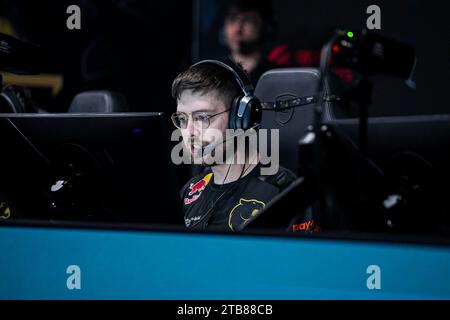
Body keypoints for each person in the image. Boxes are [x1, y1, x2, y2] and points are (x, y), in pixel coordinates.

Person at [170, 59, 297, 231]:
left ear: (240, 118)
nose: (189, 132)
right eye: (183, 119)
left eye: (202, 118)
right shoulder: (190, 192)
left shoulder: (282, 192)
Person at [222, 0, 277, 85]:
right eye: (232, 18)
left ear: (265, 27)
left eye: (247, 20)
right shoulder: (214, 72)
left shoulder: (275, 75)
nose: (238, 29)